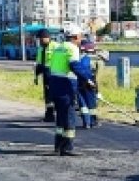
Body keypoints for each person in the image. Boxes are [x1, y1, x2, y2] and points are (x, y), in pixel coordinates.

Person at [42, 27, 92, 156]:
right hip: (66, 85)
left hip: (55, 84)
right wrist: (87, 79)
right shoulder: (72, 48)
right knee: (69, 116)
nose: (81, 39)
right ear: (75, 37)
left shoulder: (59, 47)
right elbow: (74, 66)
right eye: (80, 36)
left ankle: (58, 145)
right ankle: (67, 147)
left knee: (60, 117)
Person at [73, 31, 101, 128]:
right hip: (88, 83)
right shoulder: (89, 59)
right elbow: (93, 73)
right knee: (91, 104)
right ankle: (92, 121)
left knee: (82, 104)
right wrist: (95, 87)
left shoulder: (78, 57)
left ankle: (86, 122)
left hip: (79, 83)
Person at [33, 29, 56, 122]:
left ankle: (55, 114)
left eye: (41, 39)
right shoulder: (41, 48)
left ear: (47, 37)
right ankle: (49, 115)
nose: (40, 41)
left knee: (54, 95)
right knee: (47, 95)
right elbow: (39, 63)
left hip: (54, 74)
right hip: (46, 74)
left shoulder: (55, 46)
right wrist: (36, 75)